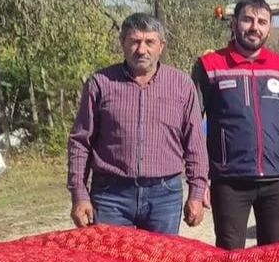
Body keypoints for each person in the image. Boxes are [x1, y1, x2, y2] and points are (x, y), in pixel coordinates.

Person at [67, 12, 208, 234]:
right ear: (123, 43)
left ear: (161, 46)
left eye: (149, 42)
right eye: (134, 41)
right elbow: (80, 142)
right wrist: (79, 193)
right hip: (111, 195)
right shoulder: (100, 84)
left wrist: (197, 193)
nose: (141, 50)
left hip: (164, 195)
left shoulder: (182, 85)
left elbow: (195, 144)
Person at [192, 0, 279, 249]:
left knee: (273, 259)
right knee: (229, 258)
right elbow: (195, 124)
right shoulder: (209, 65)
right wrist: (199, 178)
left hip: (276, 181)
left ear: (269, 27)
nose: (254, 27)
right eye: (248, 19)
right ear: (235, 23)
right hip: (229, 182)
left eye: (262, 22)